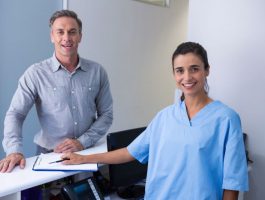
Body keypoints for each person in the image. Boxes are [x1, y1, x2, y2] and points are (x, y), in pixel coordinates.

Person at [61, 42, 249, 200]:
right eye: (180, 70)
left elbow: (232, 181)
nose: (187, 77)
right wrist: (84, 158)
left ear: (206, 70)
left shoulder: (226, 119)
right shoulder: (165, 117)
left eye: (195, 69)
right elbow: (130, 152)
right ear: (174, 76)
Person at [0, 10, 113, 173]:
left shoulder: (97, 72)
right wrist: (14, 150)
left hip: (87, 152)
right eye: (60, 32)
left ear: (80, 36)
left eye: (72, 32)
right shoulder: (35, 73)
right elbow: (16, 114)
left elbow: (106, 114)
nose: (66, 38)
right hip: (49, 155)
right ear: (52, 36)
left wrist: (82, 141)